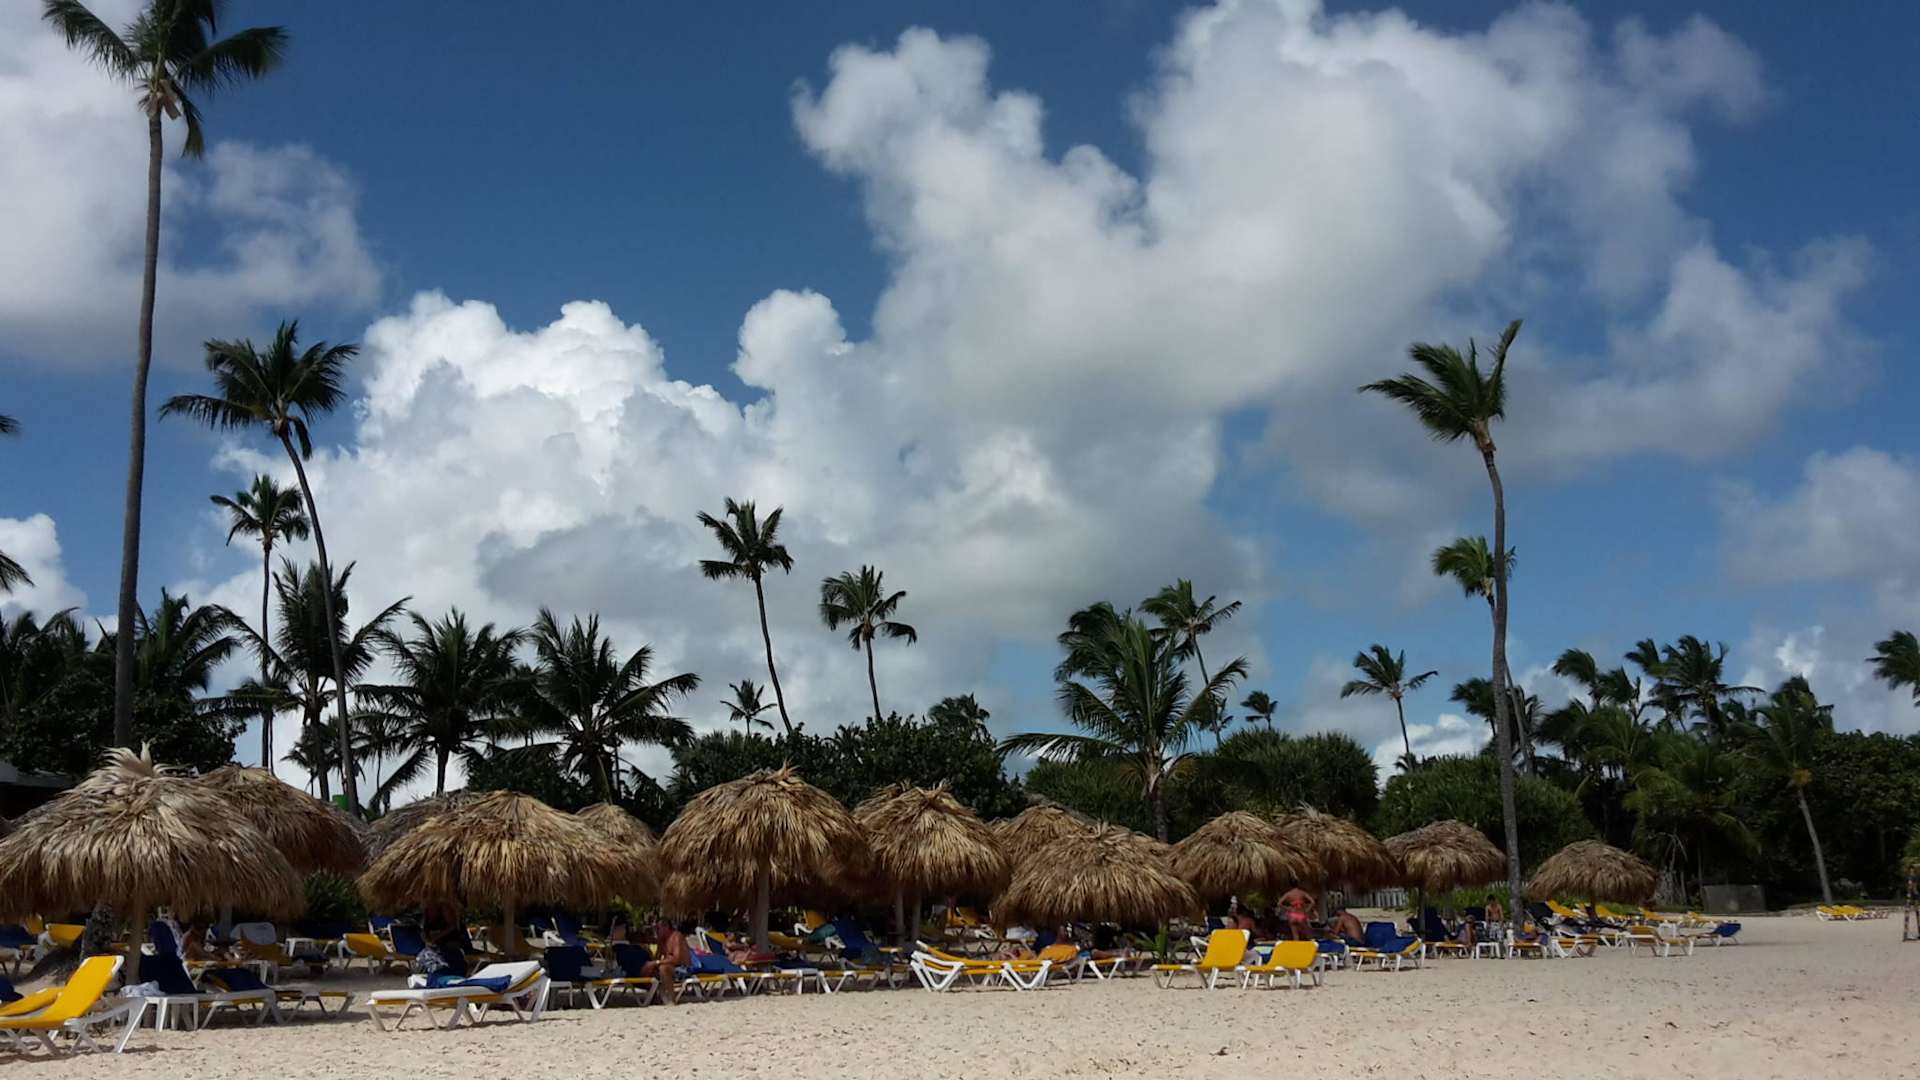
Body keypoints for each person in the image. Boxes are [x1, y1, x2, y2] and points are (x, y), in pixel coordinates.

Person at [641, 917, 693, 1005]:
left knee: (663, 968)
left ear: (666, 927)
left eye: (658, 928)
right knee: (649, 968)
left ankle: (671, 999)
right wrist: (650, 963)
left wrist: (656, 963)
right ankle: (656, 996)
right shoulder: (661, 940)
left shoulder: (676, 937)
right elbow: (656, 958)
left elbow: (677, 959)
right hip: (672, 967)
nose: (656, 931)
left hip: (683, 968)